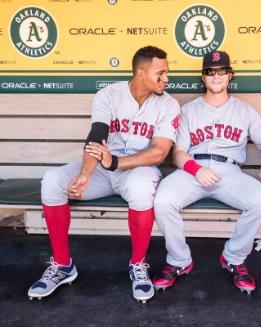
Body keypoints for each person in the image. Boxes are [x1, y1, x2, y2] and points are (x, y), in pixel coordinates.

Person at [28, 46, 180, 303]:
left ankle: (138, 265)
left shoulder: (169, 104)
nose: (166, 78)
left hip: (137, 170)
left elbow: (159, 152)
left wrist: (116, 163)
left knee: (143, 190)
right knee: (52, 182)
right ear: (140, 73)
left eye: (166, 72)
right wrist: (86, 174)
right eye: (161, 73)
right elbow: (96, 137)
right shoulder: (109, 95)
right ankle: (63, 266)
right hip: (102, 168)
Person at [153, 50, 261, 294]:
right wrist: (196, 169)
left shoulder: (244, 110)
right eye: (210, 72)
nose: (216, 76)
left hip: (229, 172)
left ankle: (233, 257)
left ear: (230, 75)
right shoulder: (188, 110)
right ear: (203, 77)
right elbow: (178, 152)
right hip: (193, 170)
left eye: (221, 71)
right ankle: (179, 261)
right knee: (162, 200)